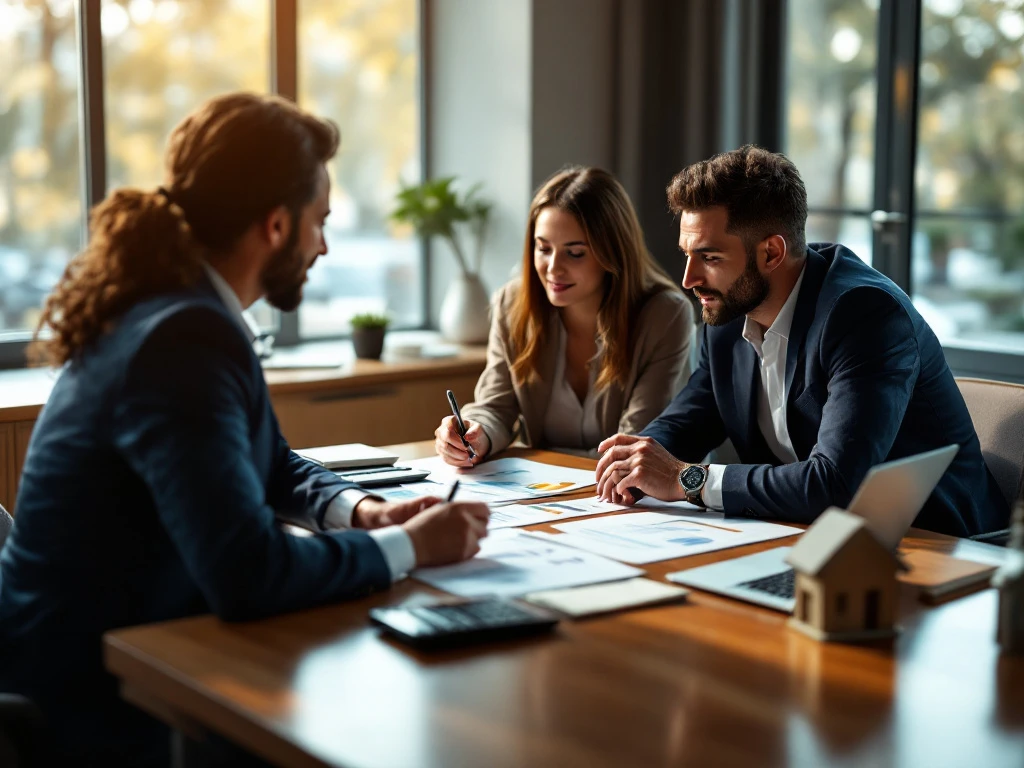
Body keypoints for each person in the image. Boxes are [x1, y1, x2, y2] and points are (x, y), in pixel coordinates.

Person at [0, 93, 489, 767]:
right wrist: (409, 549)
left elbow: (271, 462)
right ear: (277, 225)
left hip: (115, 644)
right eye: (320, 221)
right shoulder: (184, 335)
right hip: (95, 695)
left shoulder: (175, 307)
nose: (325, 245)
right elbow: (247, 572)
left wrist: (361, 511)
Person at [595, 145, 1008, 538]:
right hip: (813, 537)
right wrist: (633, 464)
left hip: (936, 544)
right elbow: (689, 419)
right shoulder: (727, 313)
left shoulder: (864, 315)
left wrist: (687, 480)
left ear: (772, 253)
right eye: (687, 254)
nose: (689, 279)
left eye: (710, 257)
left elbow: (835, 482)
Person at [434, 166, 694, 466]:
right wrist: (476, 434)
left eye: (575, 253)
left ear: (612, 252)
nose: (553, 268)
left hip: (631, 495)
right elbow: (495, 407)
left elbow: (637, 444)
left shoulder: (665, 316)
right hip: (546, 492)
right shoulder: (512, 305)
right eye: (544, 249)